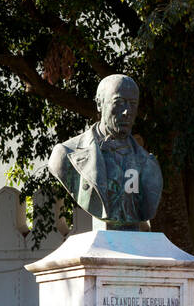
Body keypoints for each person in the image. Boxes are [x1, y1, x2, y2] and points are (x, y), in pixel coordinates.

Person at [48, 74, 163, 228]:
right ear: (99, 104)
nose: (126, 112)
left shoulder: (148, 164)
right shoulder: (65, 155)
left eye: (132, 104)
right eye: (119, 103)